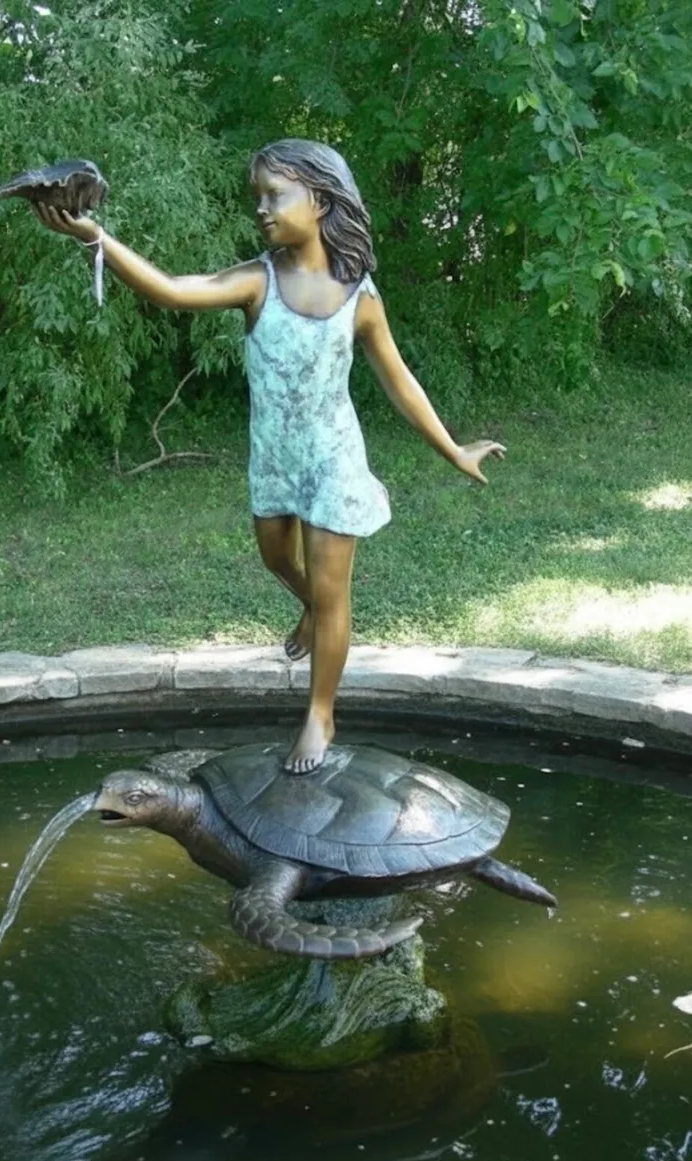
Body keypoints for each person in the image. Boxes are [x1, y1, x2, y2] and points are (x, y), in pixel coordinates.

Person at [33, 138, 504, 775]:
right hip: (274, 460)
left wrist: (452, 449)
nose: (262, 208)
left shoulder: (359, 296)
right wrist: (97, 239)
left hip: (333, 462)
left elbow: (398, 378)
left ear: (321, 199)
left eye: (275, 194)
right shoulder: (258, 280)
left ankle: (321, 714)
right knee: (277, 557)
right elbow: (173, 290)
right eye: (257, 196)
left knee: (335, 592)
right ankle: (312, 609)